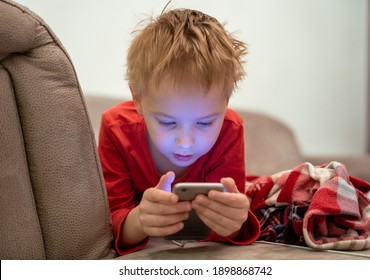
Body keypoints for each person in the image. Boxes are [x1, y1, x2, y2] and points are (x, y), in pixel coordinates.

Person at [98, 7, 260, 255]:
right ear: (138, 99)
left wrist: (234, 223)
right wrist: (140, 220)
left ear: (226, 102)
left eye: (205, 123)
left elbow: (232, 225)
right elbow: (110, 223)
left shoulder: (230, 128)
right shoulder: (115, 128)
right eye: (167, 122)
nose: (186, 142)